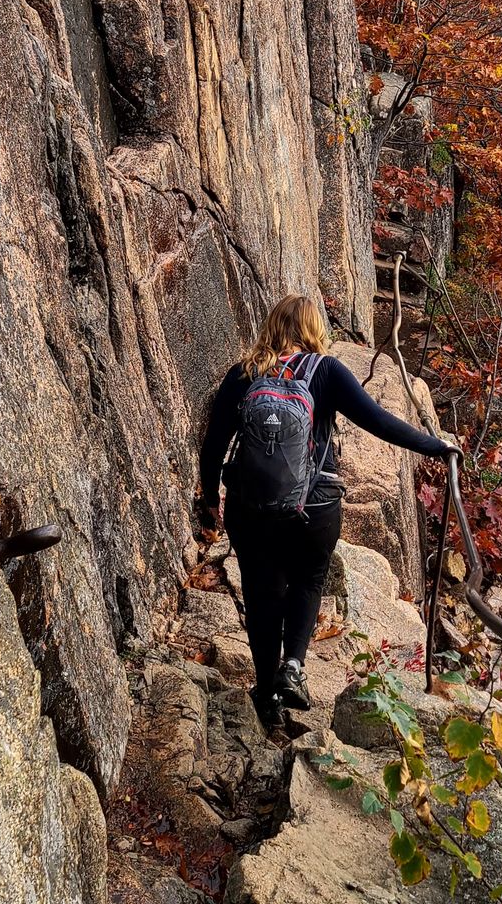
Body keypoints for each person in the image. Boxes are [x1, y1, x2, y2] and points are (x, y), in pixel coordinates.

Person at [194, 292, 458, 728]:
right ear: (315, 331)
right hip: (313, 508)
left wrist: (209, 499)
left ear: (272, 327)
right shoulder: (327, 371)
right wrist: (436, 446)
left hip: (251, 509)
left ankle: (267, 697)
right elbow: (378, 421)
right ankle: (293, 667)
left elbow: (213, 446)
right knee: (308, 579)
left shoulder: (243, 375)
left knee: (262, 596)